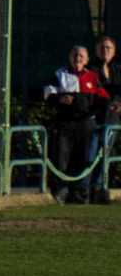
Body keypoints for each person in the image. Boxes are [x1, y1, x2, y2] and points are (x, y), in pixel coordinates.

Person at [43, 45, 109, 204]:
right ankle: (60, 190)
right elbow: (47, 93)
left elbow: (102, 97)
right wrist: (60, 99)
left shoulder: (92, 76)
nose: (77, 59)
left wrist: (97, 111)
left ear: (86, 60)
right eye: (75, 55)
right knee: (61, 157)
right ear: (69, 57)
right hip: (65, 123)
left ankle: (78, 193)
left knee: (83, 157)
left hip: (85, 123)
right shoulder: (60, 74)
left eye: (81, 56)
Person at [86, 36, 121, 203]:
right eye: (102, 48)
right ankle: (85, 189)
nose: (105, 51)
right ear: (96, 51)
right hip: (94, 120)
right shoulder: (90, 70)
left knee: (105, 156)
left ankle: (98, 189)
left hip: (112, 120)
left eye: (109, 48)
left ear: (114, 51)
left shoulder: (118, 70)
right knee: (91, 155)